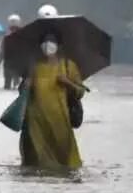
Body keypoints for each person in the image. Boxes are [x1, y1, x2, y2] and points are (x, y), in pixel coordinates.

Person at [20, 31, 86, 169]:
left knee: (64, 160)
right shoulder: (34, 66)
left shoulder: (68, 66)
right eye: (44, 41)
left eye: (51, 41)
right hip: (36, 121)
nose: (47, 45)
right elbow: (22, 92)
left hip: (60, 120)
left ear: (59, 45)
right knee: (36, 162)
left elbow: (80, 92)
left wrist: (68, 83)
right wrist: (26, 84)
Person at [0, 14, 22, 90]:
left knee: (8, 85)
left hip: (10, 64)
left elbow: (2, 52)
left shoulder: (6, 38)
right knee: (15, 86)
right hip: (16, 65)